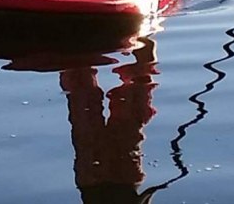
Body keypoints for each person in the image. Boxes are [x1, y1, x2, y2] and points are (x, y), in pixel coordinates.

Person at [59, 37, 161, 204]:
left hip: (96, 183)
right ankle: (144, 55)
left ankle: (143, 57)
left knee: (85, 112)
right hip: (112, 183)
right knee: (126, 119)